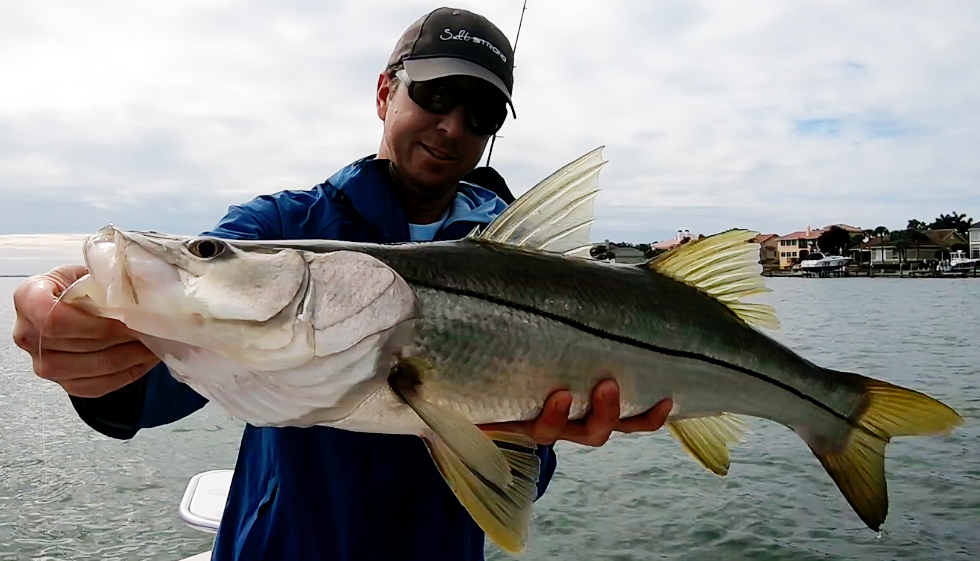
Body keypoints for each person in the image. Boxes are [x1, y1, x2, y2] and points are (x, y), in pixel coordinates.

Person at [12, 7, 672, 561]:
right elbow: (165, 374)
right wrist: (90, 351)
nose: (453, 126)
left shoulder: (526, 258)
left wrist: (540, 437)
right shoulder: (282, 227)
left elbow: (519, 478)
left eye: (482, 113)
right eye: (437, 95)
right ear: (385, 91)